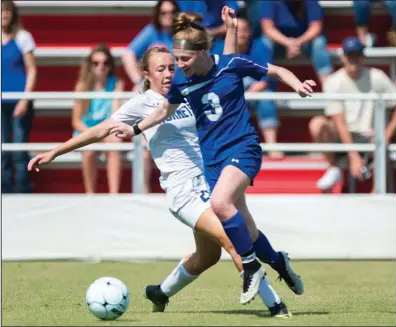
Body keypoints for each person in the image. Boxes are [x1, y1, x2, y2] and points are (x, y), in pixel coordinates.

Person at [27, 7, 291, 318]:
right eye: (161, 69)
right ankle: (276, 306)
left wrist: (230, 28)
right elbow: (99, 130)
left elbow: (225, 70)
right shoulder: (141, 104)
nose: (168, 73)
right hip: (183, 189)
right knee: (232, 238)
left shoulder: (188, 90)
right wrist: (56, 151)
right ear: (146, 74)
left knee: (207, 256)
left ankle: (159, 292)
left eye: (171, 67)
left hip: (211, 177)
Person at [112, 10, 315, 306]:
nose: (177, 67)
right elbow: (161, 112)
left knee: (220, 204)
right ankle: (279, 262)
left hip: (242, 148)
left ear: (204, 52)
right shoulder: (183, 83)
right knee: (246, 229)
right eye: (176, 60)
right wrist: (135, 128)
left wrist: (296, 83)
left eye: (184, 60)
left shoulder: (232, 64)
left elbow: (275, 71)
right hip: (213, 161)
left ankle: (251, 269)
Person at [309, 37, 396, 192]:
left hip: (371, 135)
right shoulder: (333, 82)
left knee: (383, 152)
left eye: (356, 55)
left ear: (363, 56)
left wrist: (385, 135)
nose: (353, 59)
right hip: (345, 135)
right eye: (350, 55)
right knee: (317, 124)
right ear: (343, 56)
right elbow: (340, 122)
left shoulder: (377, 77)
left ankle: (378, 197)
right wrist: (354, 156)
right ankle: (334, 168)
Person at [123, 0, 181, 193]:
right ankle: (144, 191)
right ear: (157, 14)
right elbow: (128, 54)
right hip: (154, 98)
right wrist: (138, 81)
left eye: (172, 12)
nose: (168, 15)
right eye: (164, 12)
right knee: (147, 145)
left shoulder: (181, 36)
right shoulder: (151, 31)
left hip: (178, 98)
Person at [229, 11, 283, 158]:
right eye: (238, 30)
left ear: (251, 31)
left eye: (245, 30)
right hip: (232, 93)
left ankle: (272, 145)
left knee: (266, 99)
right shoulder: (220, 48)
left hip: (256, 92)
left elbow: (265, 79)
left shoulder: (260, 47)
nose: (242, 34)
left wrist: (247, 94)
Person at [72, 44, 124, 194]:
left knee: (115, 146)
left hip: (107, 130)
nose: (101, 67)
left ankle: (114, 194)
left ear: (110, 65)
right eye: (96, 63)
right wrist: (93, 134)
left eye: (105, 63)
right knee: (89, 151)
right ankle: (90, 194)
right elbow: (76, 121)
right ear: (90, 65)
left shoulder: (116, 83)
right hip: (86, 130)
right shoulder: (82, 86)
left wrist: (117, 95)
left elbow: (116, 115)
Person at [1, 0, 37, 194]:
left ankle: (22, 188)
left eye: (7, 12)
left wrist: (25, 98)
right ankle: (4, 189)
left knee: (18, 147)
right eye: (1, 12)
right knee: (1, 149)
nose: (4, 15)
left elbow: (32, 69)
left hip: (19, 102)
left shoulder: (23, 37)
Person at [260, 0, 333, 85]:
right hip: (280, 44)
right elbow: (268, 28)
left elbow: (316, 27)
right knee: (264, 42)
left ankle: (328, 84)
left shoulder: (311, 2)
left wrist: (298, 42)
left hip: (305, 44)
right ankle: (263, 83)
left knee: (319, 42)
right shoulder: (270, 2)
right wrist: (288, 43)